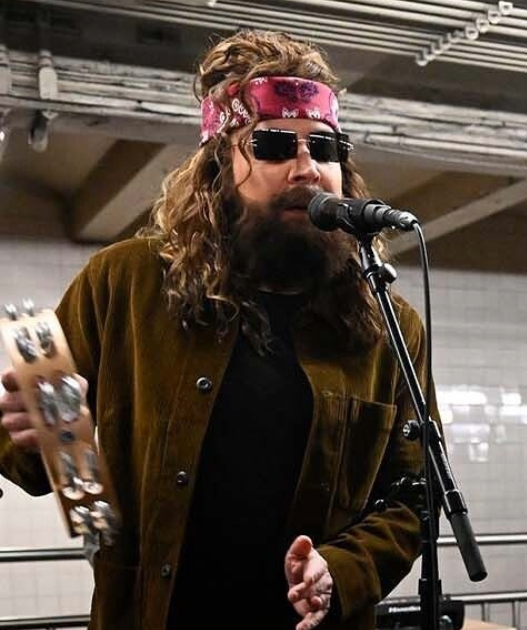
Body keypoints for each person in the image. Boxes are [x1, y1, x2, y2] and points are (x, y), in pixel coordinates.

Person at [0, 30, 434, 630]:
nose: (307, 167)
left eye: (326, 148)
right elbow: (37, 457)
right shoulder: (124, 283)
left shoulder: (388, 324)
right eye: (275, 145)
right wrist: (33, 431)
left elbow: (417, 495)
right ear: (218, 168)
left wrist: (344, 567)